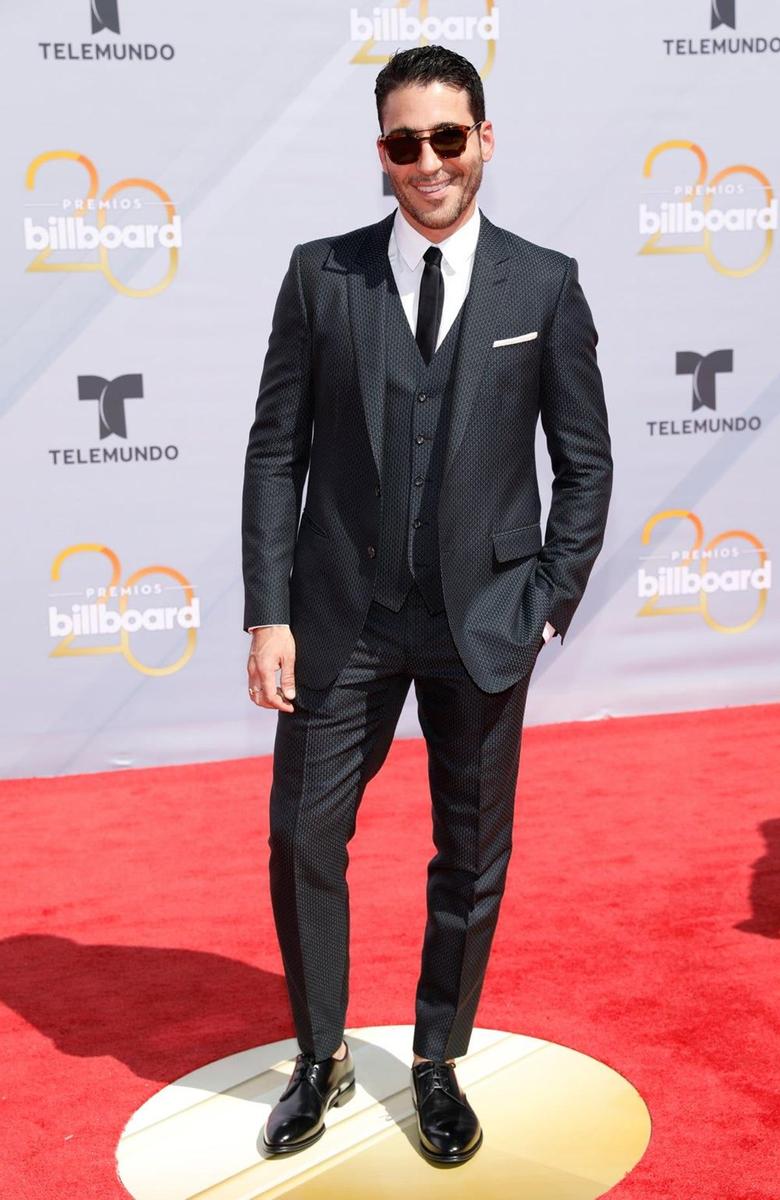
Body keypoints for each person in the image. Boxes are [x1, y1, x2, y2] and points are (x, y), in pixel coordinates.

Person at [242, 44, 612, 1165]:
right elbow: (276, 455)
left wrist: (546, 602)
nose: (429, 162)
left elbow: (584, 464)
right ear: (382, 154)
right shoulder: (324, 276)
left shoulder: (543, 284)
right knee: (301, 837)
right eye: (406, 143)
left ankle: (439, 1059)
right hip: (339, 616)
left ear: (483, 141)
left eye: (448, 138)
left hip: (483, 620)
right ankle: (321, 1055)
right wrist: (271, 609)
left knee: (470, 852)